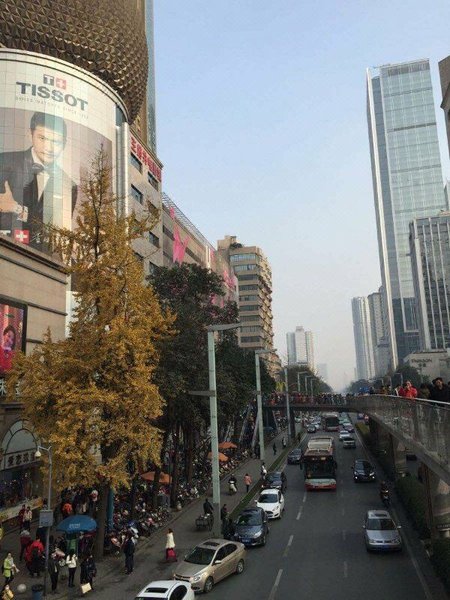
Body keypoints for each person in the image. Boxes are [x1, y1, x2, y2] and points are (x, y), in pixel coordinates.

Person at [0, 112, 78, 252]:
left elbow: (58, 230)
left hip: (43, 259)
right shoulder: (4, 162)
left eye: (56, 142)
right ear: (31, 135)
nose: (49, 148)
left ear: (64, 144)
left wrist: (17, 209)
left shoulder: (68, 185)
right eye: (42, 138)